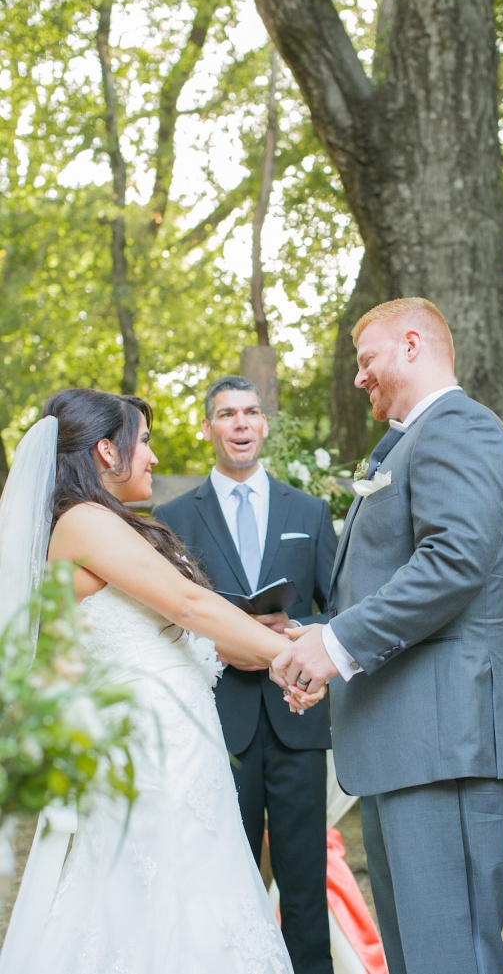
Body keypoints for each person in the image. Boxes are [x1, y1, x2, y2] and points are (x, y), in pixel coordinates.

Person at [0, 387, 324, 974]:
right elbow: (185, 603)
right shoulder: (83, 523)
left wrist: (295, 642)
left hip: (177, 747)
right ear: (105, 451)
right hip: (152, 759)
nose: (150, 457)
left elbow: (185, 625)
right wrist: (287, 657)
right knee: (163, 910)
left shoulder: (103, 523)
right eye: (142, 443)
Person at [272, 298, 503, 974]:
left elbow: (454, 563)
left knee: (450, 954)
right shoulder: (413, 441)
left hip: (444, 739)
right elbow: (390, 585)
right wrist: (317, 639)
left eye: (368, 360)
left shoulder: (457, 429)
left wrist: (334, 648)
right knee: (421, 956)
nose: (359, 378)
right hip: (410, 739)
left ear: (412, 345)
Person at [154, 376, 337, 974]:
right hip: (214, 726)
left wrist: (298, 630)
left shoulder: (308, 511)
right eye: (226, 413)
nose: (240, 424)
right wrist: (217, 644)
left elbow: (340, 610)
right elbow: (162, 617)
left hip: (297, 719)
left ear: (264, 425)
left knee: (305, 884)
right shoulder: (172, 517)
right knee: (219, 882)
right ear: (208, 427)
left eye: (250, 413)